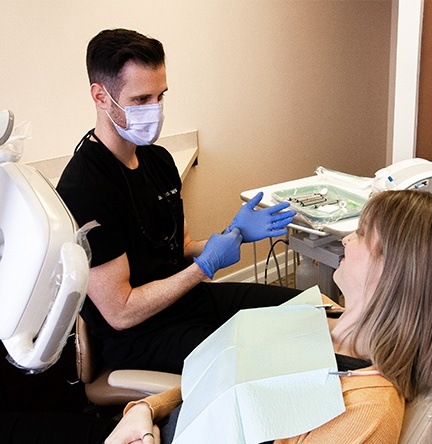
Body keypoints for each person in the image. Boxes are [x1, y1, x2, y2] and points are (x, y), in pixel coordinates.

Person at [104, 189, 432, 444]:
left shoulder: (368, 410)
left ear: (395, 272)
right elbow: (222, 375)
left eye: (361, 234)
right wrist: (145, 408)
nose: (345, 240)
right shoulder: (320, 312)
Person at [56, 28, 299, 374]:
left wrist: (233, 234)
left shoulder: (158, 160)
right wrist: (205, 267)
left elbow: (178, 245)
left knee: (303, 313)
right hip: (141, 336)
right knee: (264, 365)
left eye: (160, 96)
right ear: (100, 96)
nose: (154, 110)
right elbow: (121, 311)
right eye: (140, 100)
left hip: (187, 303)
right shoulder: (84, 188)